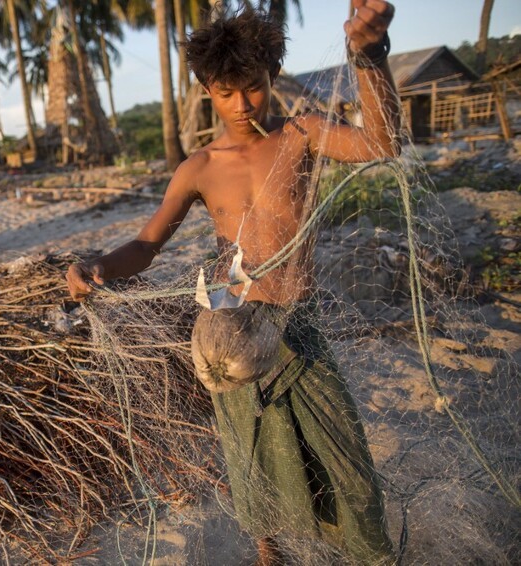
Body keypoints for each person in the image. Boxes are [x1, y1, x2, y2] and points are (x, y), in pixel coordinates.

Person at [66, 2, 400, 564]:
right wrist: (98, 265)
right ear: (206, 90)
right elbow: (147, 247)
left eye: (252, 87)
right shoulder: (198, 167)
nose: (241, 105)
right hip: (229, 329)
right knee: (250, 458)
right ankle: (269, 555)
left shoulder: (303, 135)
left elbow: (384, 145)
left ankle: (371, 555)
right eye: (226, 92)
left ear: (271, 76)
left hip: (299, 324)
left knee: (347, 465)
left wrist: (371, 56)